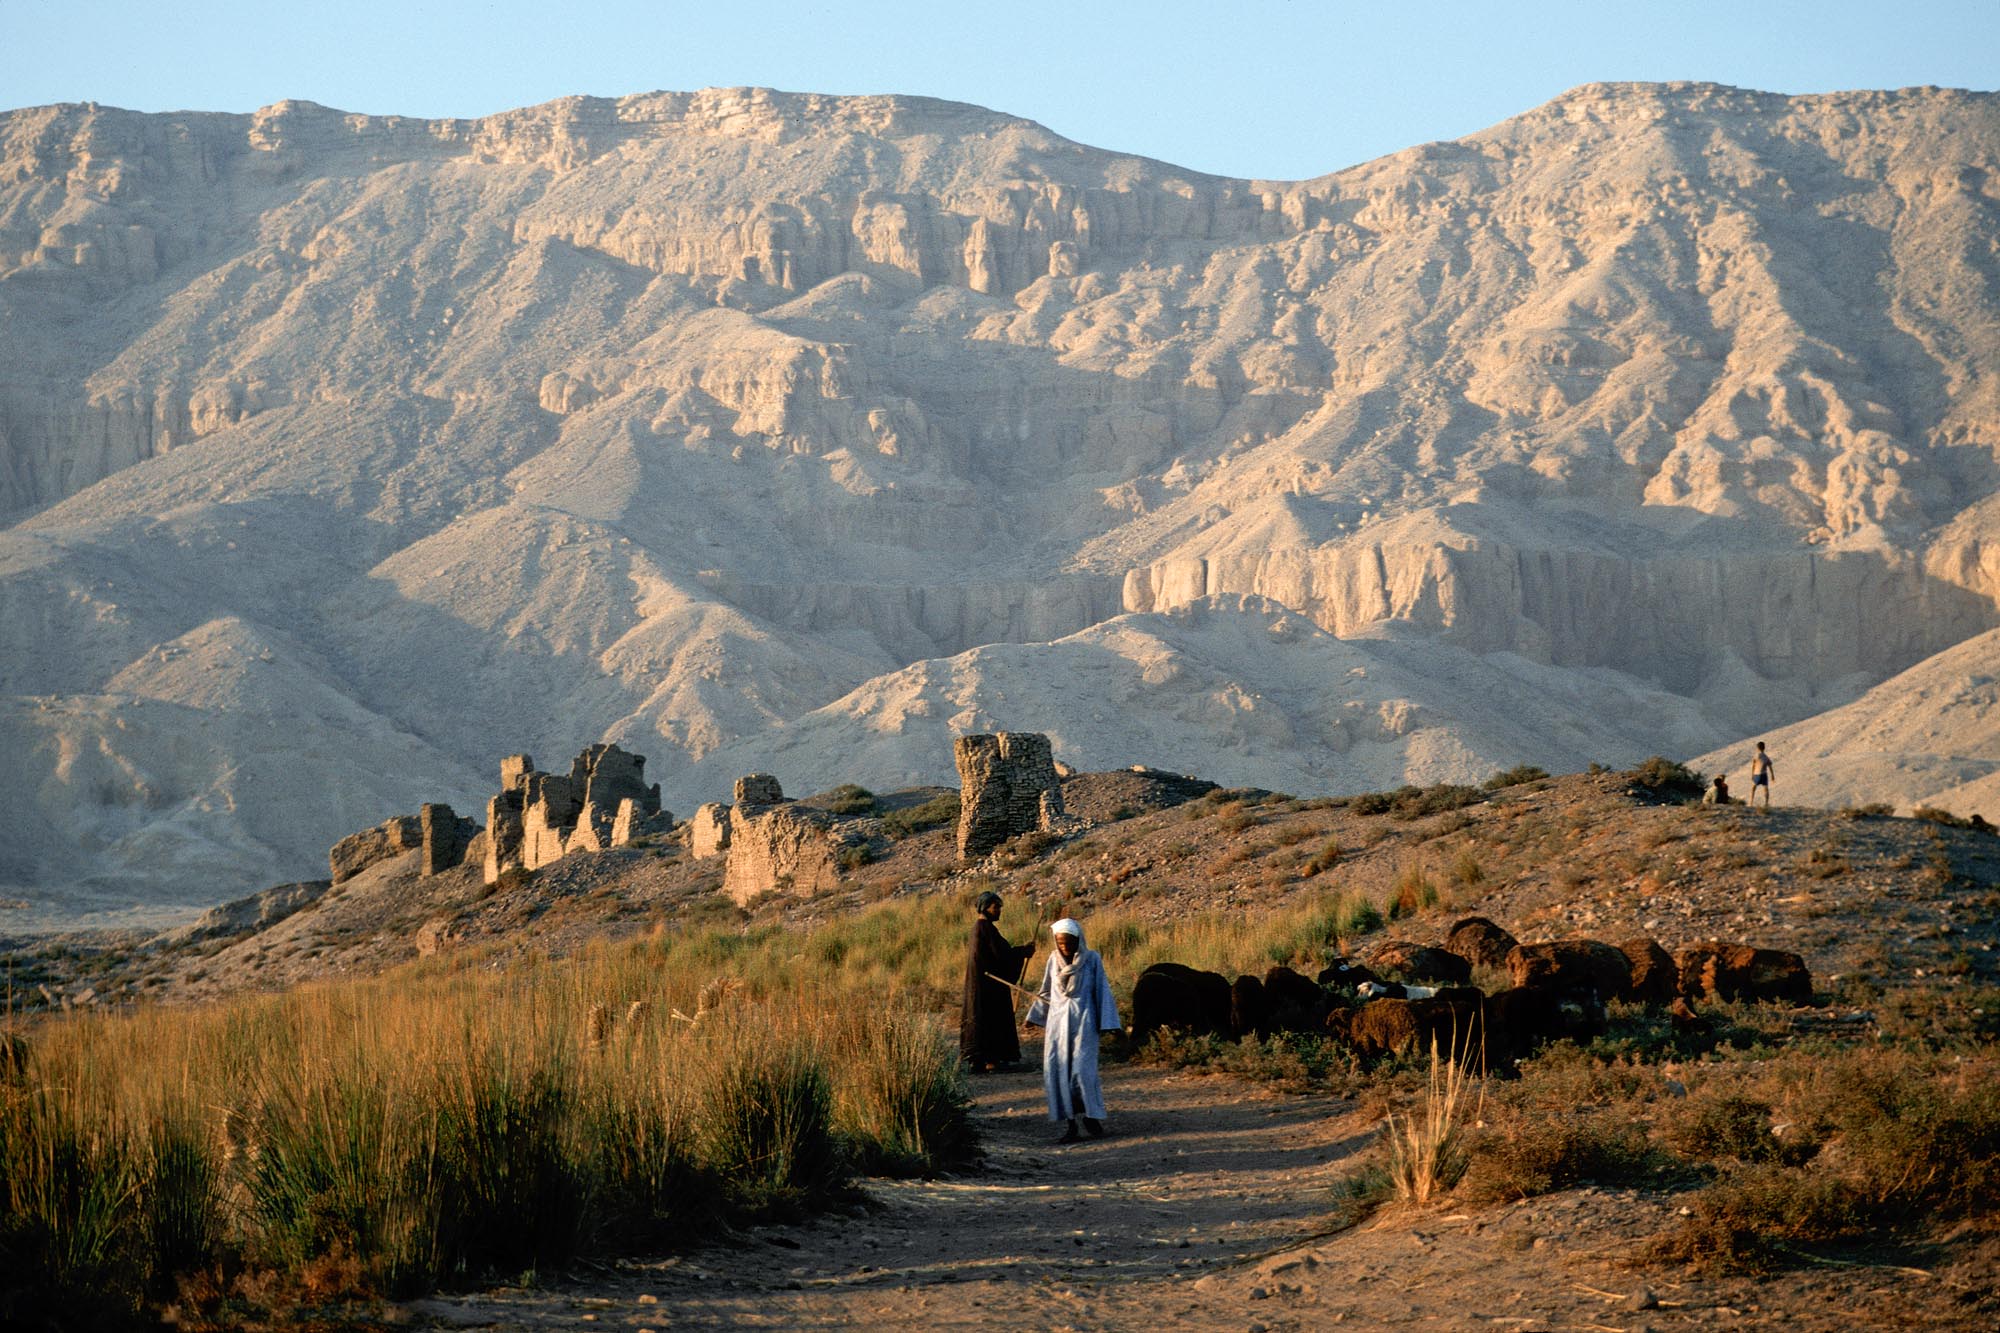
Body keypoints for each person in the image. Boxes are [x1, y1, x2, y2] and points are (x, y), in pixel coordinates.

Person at [1025, 918, 1121, 1144]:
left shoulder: (1092, 960)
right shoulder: (1053, 959)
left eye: (1068, 942)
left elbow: (1102, 991)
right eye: (1060, 943)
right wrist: (1033, 1017)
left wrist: (1110, 1024)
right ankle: (1071, 1125)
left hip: (1084, 1024)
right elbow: (1046, 992)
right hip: (1058, 1028)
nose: (1065, 947)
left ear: (1078, 940)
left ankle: (1091, 1116)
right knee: (1060, 1074)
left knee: (1083, 1072)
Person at [960, 890, 1036, 1073]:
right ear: (985, 908)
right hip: (988, 986)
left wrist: (1020, 951)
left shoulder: (980, 928)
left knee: (982, 1017)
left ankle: (979, 1061)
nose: (999, 911)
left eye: (1000, 907)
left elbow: (999, 955)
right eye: (996, 907)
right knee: (990, 1018)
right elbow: (1002, 956)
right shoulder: (984, 928)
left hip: (983, 984)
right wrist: (1023, 952)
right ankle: (991, 1061)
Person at [1749, 741, 1775, 809]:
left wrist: (1752, 774)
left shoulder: (1756, 756)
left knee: (1753, 788)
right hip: (1764, 774)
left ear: (1757, 748)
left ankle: (1751, 802)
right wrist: (1772, 775)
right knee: (1765, 789)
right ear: (1764, 748)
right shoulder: (1766, 757)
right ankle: (1766, 803)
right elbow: (1770, 766)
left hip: (1757, 774)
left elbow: (1753, 765)